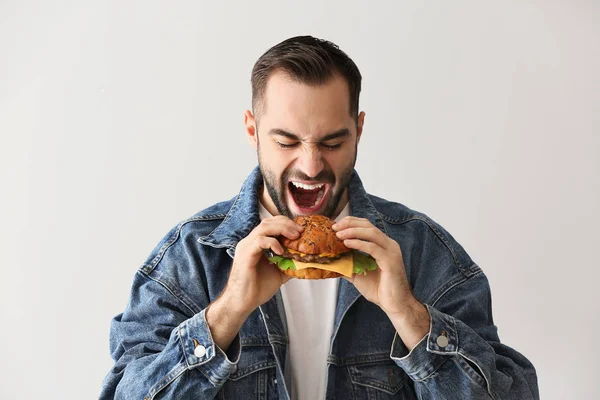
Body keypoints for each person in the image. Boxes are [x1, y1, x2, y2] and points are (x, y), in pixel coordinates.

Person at [100, 36, 539, 399]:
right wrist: (227, 312)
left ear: (359, 130)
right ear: (252, 130)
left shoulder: (423, 252)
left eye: (332, 141)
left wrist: (408, 314)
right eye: (286, 141)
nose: (310, 166)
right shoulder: (190, 258)